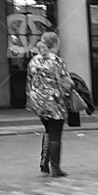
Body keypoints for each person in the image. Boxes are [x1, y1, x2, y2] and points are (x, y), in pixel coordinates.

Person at [26, 31, 73, 177]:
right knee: (55, 134)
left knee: (48, 130)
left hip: (38, 102)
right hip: (54, 101)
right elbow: (66, 82)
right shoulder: (57, 61)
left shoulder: (33, 61)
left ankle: (44, 162)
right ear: (55, 44)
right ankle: (55, 168)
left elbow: (29, 81)